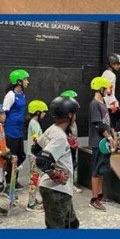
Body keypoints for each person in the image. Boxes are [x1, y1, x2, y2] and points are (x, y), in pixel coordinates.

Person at [34, 96, 80, 229]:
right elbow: (42, 160)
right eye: (75, 114)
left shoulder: (53, 129)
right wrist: (54, 173)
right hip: (56, 190)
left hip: (58, 190)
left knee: (72, 224)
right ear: (70, 114)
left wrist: (65, 148)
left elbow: (36, 148)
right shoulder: (60, 136)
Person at [87, 77, 116, 211]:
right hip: (98, 142)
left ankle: (100, 195)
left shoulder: (102, 102)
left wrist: (112, 136)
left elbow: (106, 122)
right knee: (96, 171)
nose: (107, 90)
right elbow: (98, 124)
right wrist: (109, 137)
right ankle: (93, 199)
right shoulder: (94, 104)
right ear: (100, 88)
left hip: (104, 143)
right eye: (106, 88)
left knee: (102, 170)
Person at [2, 68, 29, 187]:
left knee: (21, 156)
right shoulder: (10, 95)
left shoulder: (22, 94)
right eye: (25, 79)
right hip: (10, 131)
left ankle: (13, 179)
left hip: (19, 131)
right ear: (19, 82)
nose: (27, 82)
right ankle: (9, 183)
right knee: (11, 158)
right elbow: (3, 114)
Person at [25, 99, 48, 211]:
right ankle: (31, 204)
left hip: (34, 154)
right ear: (38, 112)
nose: (44, 114)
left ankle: (33, 200)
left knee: (36, 178)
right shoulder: (34, 124)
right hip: (35, 155)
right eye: (43, 111)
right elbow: (36, 140)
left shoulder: (34, 123)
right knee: (34, 179)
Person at [102, 53, 120, 137]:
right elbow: (109, 91)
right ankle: (115, 140)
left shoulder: (105, 73)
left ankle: (112, 140)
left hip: (104, 102)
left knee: (109, 123)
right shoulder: (112, 75)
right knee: (116, 121)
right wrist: (115, 104)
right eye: (117, 64)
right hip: (110, 103)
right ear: (111, 64)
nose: (119, 66)